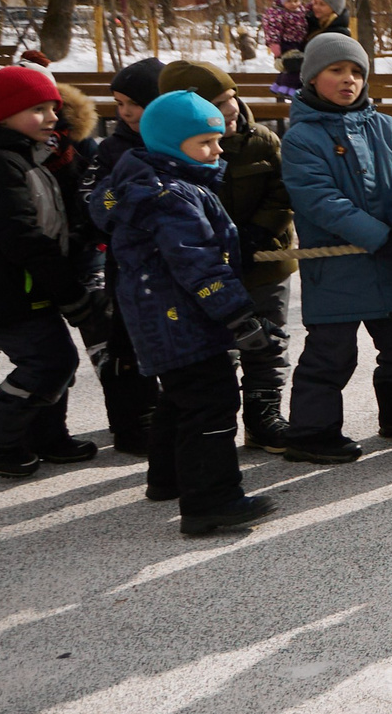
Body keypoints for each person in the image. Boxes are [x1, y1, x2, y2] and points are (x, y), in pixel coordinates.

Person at [95, 88, 279, 536]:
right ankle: (211, 500)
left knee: (178, 400)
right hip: (181, 320)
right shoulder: (172, 197)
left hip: (159, 318)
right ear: (170, 145)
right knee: (212, 404)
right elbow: (197, 264)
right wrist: (239, 315)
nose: (218, 150)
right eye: (206, 143)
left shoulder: (145, 183)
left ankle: (168, 478)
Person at [0, 66, 103, 478]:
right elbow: (21, 238)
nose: (50, 117)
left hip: (20, 285)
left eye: (52, 107)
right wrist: (69, 293)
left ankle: (45, 436)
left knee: (53, 358)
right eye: (37, 109)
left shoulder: (18, 153)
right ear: (1, 114)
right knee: (49, 362)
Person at [279, 31, 392, 463]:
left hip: (389, 263)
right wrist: (381, 235)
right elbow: (320, 201)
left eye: (356, 71)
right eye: (336, 70)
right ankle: (311, 431)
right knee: (332, 353)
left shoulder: (386, 127)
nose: (348, 79)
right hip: (337, 267)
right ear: (313, 78)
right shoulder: (301, 138)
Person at [156, 61, 297, 452]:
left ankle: (263, 414)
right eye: (218, 102)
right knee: (219, 345)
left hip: (264, 260)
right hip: (206, 268)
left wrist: (258, 233)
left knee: (268, 339)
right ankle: (212, 423)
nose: (231, 108)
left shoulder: (263, 141)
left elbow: (283, 191)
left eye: (232, 96)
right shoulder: (173, 153)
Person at [80, 55, 167, 454]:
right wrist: (120, 202)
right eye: (119, 103)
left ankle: (166, 414)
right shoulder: (114, 149)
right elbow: (93, 201)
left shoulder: (180, 141)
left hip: (175, 261)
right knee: (126, 342)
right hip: (128, 265)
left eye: (136, 103)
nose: (126, 111)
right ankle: (131, 423)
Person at [263, 0, 312, 98]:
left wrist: (313, 4)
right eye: (289, 1)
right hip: (286, 43)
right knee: (292, 65)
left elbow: (307, 11)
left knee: (295, 67)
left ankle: (282, 86)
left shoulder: (300, 10)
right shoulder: (277, 13)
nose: (293, 4)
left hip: (299, 43)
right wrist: (275, 46)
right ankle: (287, 90)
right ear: (281, 1)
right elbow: (272, 30)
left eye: (296, 0)